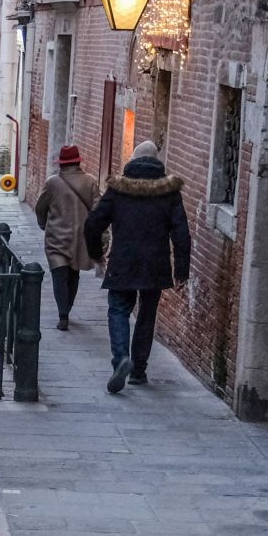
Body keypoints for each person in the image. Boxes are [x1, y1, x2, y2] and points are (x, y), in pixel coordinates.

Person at [84, 140, 191, 394]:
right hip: (156, 264)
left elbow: (93, 224)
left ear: (132, 161)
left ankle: (121, 359)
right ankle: (139, 370)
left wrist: (96, 254)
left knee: (118, 310)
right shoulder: (169, 192)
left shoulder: (118, 189)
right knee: (146, 314)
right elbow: (182, 233)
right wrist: (181, 271)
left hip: (123, 260)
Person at [33, 145, 99, 330]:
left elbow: (40, 208)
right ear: (78, 162)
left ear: (61, 164)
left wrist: (43, 223)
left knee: (59, 275)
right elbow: (98, 210)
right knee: (73, 274)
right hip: (80, 238)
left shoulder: (52, 183)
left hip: (56, 238)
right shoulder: (90, 182)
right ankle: (67, 308)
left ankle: (63, 314)